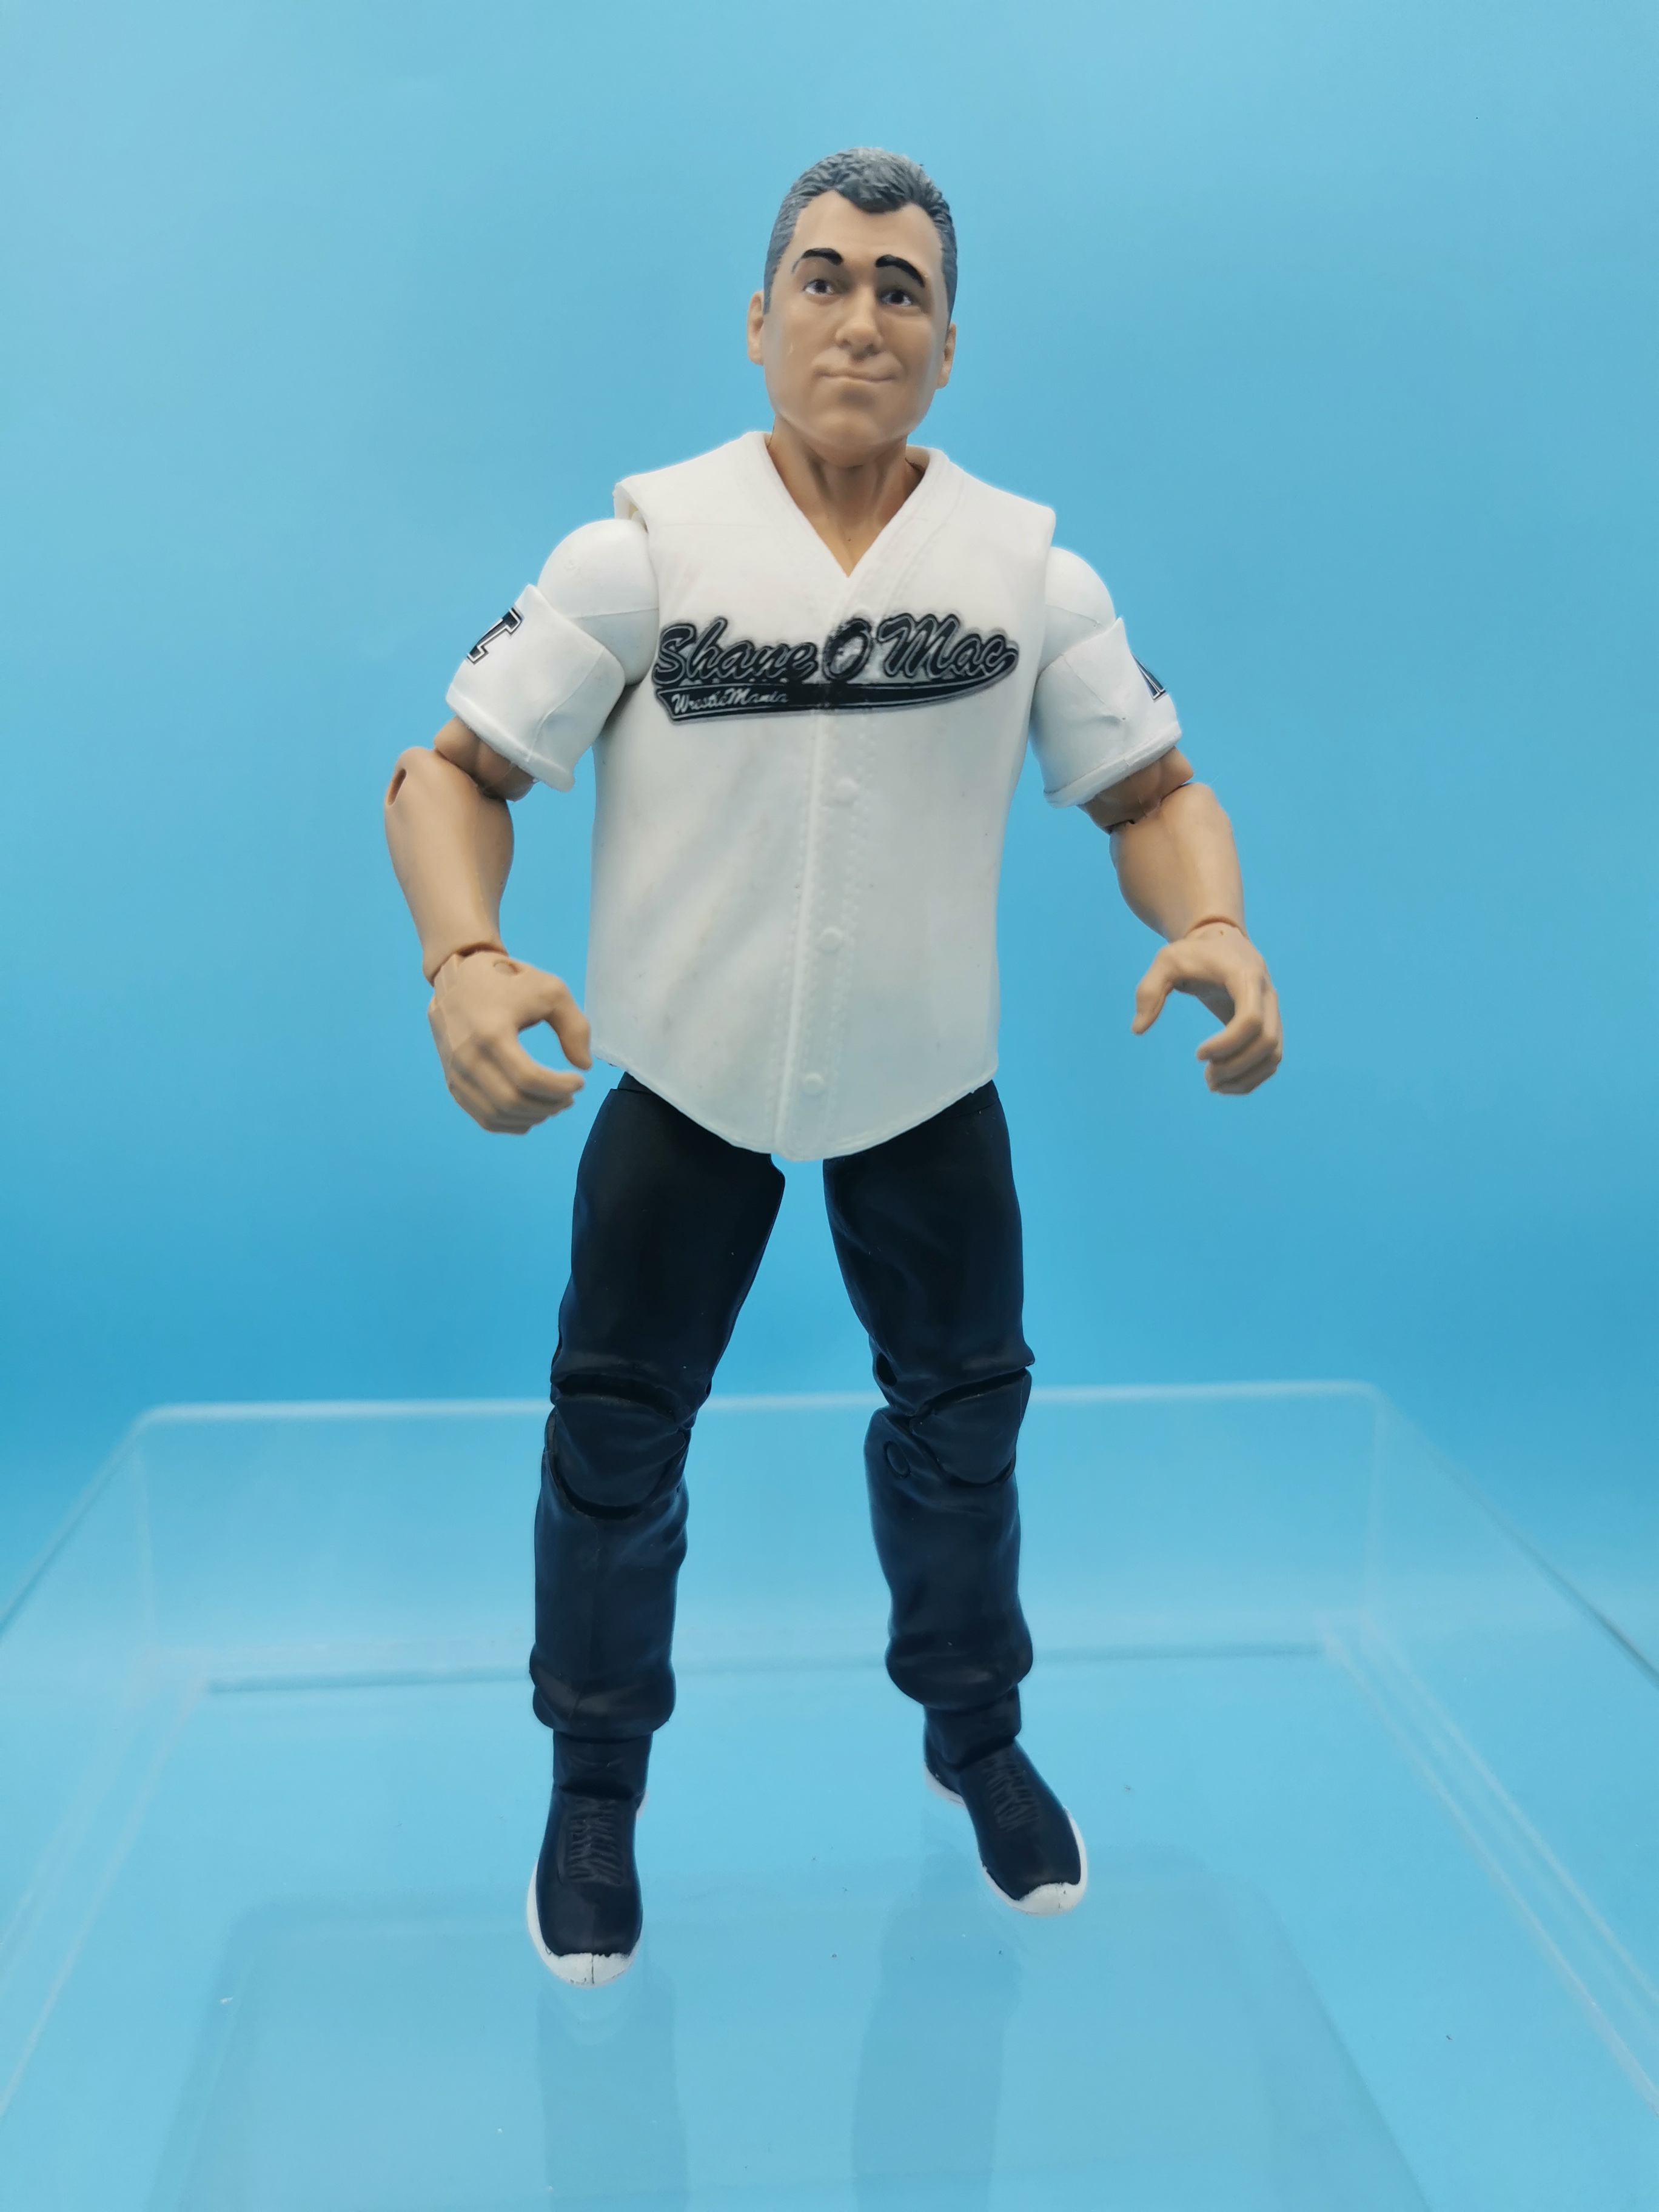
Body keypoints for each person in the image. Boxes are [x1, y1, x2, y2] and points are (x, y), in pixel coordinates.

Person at [384, 148, 1282, 1988]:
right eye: (823, 277)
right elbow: (449, 773)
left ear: (949, 344)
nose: (860, 318)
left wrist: (1212, 922)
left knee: (968, 1430)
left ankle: (977, 1732)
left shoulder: (1027, 572)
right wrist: (462, 957)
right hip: (685, 1068)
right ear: (757, 317)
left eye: (901, 289)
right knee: (613, 1442)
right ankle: (594, 1782)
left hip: (923, 1074)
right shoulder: (644, 552)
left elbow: (1153, 791)